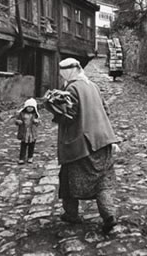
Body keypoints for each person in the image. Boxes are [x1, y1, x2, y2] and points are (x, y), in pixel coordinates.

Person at [51, 57, 120, 234]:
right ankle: (109, 215)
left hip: (81, 146)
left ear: (67, 72)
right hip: (103, 141)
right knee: (103, 181)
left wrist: (53, 110)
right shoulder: (93, 86)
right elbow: (107, 110)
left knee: (68, 179)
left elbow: (69, 117)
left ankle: (71, 214)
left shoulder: (71, 88)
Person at [15, 98, 41, 165]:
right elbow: (17, 120)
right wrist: (18, 122)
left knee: (31, 146)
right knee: (23, 146)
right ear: (25, 107)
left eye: (31, 107)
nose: (30, 108)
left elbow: (39, 122)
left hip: (32, 134)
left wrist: (36, 121)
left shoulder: (35, 115)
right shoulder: (22, 114)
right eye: (28, 107)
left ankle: (30, 157)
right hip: (24, 133)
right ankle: (21, 158)